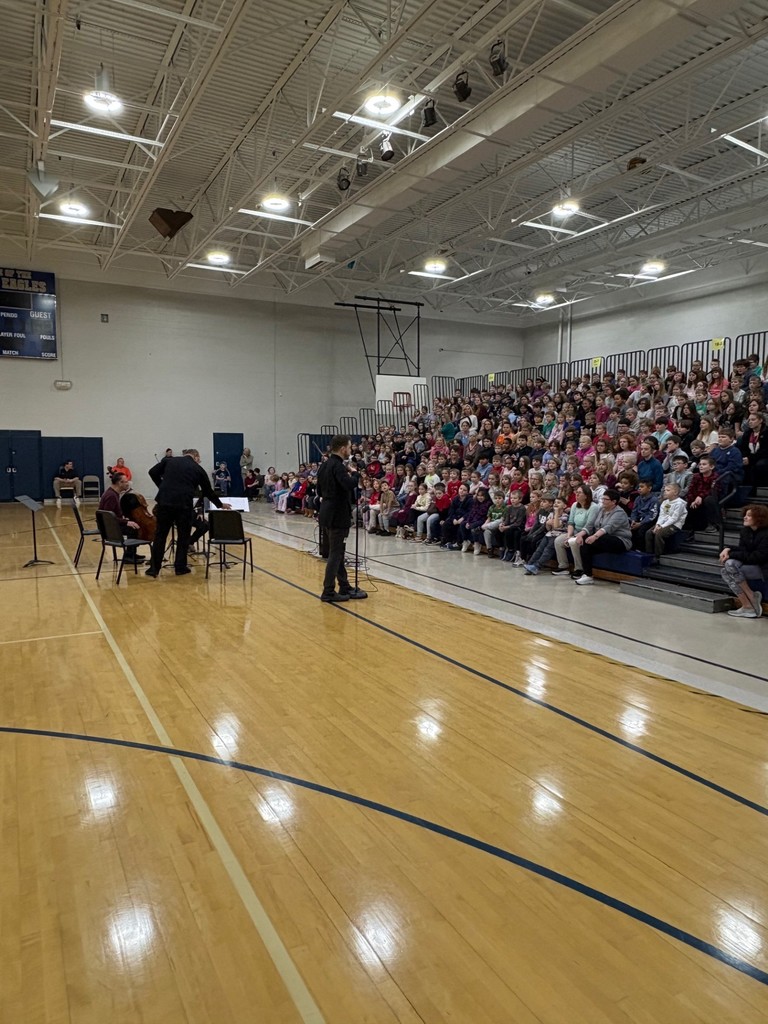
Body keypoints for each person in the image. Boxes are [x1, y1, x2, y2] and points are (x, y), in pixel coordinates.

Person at [145, 449, 231, 578]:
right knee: (183, 536)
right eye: (199, 459)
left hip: (165, 502)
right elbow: (208, 491)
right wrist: (220, 504)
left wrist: (162, 486)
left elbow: (152, 472)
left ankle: (153, 568)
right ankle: (180, 567)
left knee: (160, 535)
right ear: (196, 456)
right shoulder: (198, 469)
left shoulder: (169, 461)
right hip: (183, 504)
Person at [316, 435, 367, 602]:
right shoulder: (338, 466)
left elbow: (319, 490)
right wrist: (355, 475)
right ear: (343, 448)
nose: (350, 450)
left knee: (337, 552)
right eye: (350, 447)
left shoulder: (324, 465)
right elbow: (348, 484)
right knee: (336, 554)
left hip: (326, 512)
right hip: (338, 514)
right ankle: (328, 591)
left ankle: (344, 585)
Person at [573, 488, 632, 585]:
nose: (602, 501)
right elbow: (591, 524)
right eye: (602, 499)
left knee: (596, 539)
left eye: (605, 499)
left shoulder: (619, 513)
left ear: (613, 502)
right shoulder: (601, 509)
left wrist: (594, 536)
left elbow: (608, 528)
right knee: (584, 541)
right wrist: (581, 534)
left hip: (620, 540)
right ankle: (587, 574)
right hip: (603, 538)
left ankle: (587, 574)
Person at [720, 505, 768, 618]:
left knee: (730, 566)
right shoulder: (745, 531)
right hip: (751, 564)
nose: (745, 517)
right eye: (745, 515)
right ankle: (748, 604)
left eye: (749, 516)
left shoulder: (766, 534)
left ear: (759, 518)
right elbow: (743, 550)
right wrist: (728, 549)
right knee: (726, 568)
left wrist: (731, 554)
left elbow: (758, 557)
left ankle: (750, 602)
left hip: (763, 568)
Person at [97, 473, 143, 563]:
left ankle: (131, 553)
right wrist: (126, 522)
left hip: (110, 525)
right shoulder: (111, 496)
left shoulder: (113, 493)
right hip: (108, 528)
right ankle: (129, 556)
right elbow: (108, 517)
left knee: (132, 525)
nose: (128, 484)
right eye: (126, 482)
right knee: (133, 528)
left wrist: (124, 520)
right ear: (119, 483)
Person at [645, 482, 688, 561]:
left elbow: (674, 518)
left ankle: (658, 556)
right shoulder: (665, 502)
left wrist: (661, 526)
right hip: (664, 523)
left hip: (675, 525)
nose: (665, 492)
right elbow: (662, 515)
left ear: (675, 492)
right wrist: (658, 525)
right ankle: (649, 554)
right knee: (649, 532)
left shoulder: (680, 503)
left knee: (659, 533)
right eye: (665, 490)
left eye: (668, 490)